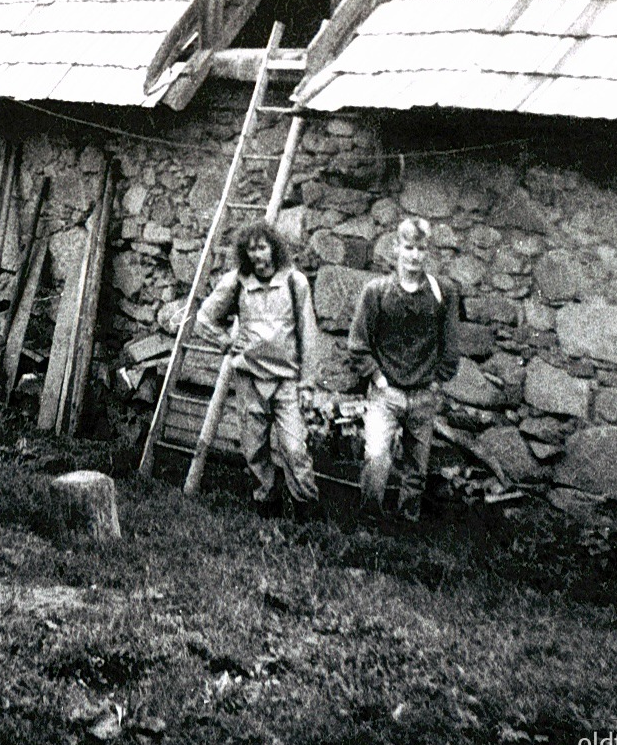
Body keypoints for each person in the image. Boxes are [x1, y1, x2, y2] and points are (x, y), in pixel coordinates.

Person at [195, 220, 320, 515]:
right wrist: (225, 342)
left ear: (274, 249)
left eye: (262, 247)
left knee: (294, 448)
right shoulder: (237, 282)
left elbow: (309, 335)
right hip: (250, 379)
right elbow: (203, 318)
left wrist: (308, 383)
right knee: (254, 449)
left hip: (286, 381)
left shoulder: (295, 282)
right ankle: (266, 504)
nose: (258, 256)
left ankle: (307, 510)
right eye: (251, 250)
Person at [347, 216, 459, 522]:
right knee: (376, 456)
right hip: (386, 393)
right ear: (396, 248)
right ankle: (370, 518)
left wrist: (435, 383)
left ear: (428, 251)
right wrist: (380, 381)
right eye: (408, 247)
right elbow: (358, 343)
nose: (414, 255)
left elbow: (450, 347)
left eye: (421, 248)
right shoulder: (377, 291)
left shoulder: (441, 293)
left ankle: (407, 524)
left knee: (416, 467)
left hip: (423, 395)